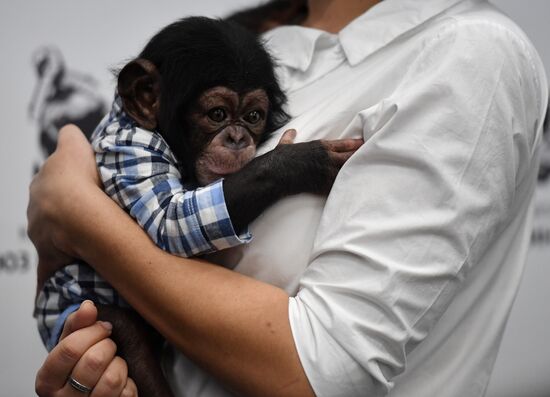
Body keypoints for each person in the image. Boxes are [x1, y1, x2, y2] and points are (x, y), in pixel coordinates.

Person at [30, 0, 548, 396]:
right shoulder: (240, 35)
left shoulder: (467, 50)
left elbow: (324, 369)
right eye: (220, 117)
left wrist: (77, 214)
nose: (237, 138)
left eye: (251, 120)